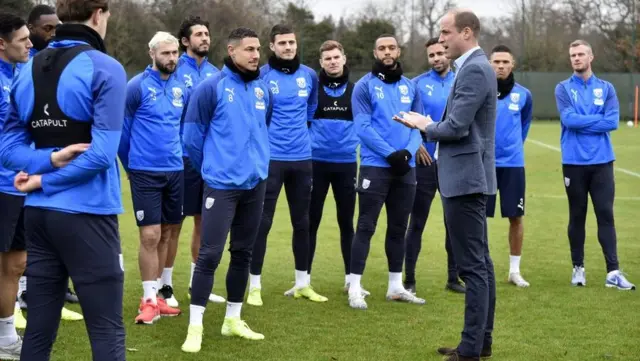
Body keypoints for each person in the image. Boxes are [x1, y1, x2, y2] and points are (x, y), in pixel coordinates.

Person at [0, 0, 128, 359]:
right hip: (86, 214)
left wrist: (46, 162)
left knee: (39, 332)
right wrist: (47, 176)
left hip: (39, 216)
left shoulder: (25, 69)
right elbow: (102, 155)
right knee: (106, 330)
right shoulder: (106, 67)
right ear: (99, 14)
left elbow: (7, 148)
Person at [393, 9, 497, 360]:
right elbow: (457, 123)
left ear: (466, 32)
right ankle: (480, 343)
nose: (441, 40)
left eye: (445, 32)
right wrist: (428, 122)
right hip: (467, 176)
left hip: (464, 179)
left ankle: (470, 348)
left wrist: (423, 126)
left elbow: (455, 128)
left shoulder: (474, 69)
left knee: (473, 266)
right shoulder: (473, 67)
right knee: (481, 263)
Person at [180, 27, 272, 353]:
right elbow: (191, 138)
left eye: (258, 49)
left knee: (243, 254)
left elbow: (262, 129)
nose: (255, 55)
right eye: (248, 49)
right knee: (209, 255)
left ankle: (233, 319)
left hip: (255, 184)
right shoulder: (211, 88)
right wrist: (214, 168)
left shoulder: (263, 89)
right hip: (220, 186)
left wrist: (257, 165)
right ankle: (195, 326)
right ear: (231, 51)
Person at [248, 24, 327, 306]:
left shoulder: (308, 75)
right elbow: (258, 115)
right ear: (272, 46)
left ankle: (302, 283)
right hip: (271, 159)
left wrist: (302, 132)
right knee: (263, 222)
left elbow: (311, 108)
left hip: (303, 159)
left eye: (292, 42)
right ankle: (254, 285)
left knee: (302, 222)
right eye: (282, 43)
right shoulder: (262, 76)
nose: (288, 47)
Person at [346, 33, 426, 310]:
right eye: (382, 48)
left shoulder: (410, 87)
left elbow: (420, 124)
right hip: (375, 166)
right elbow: (363, 128)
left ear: (398, 50)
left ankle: (395, 287)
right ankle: (354, 287)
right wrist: (390, 153)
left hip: (406, 167)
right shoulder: (364, 87)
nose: (387, 52)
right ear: (375, 52)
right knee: (366, 226)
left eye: (392, 47)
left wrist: (407, 152)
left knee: (398, 228)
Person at [17, 4, 83, 316]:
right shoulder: (26, 66)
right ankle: (21, 298)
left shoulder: (60, 64)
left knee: (51, 235)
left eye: (56, 26)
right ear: (29, 28)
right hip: (23, 168)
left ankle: (54, 290)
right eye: (46, 28)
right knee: (19, 246)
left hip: (50, 163)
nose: (52, 32)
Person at [554, 39, 635, 290]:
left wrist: (584, 121)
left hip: (602, 162)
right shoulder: (563, 88)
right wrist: (594, 120)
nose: (576, 58)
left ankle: (613, 272)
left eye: (580, 54)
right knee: (577, 216)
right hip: (574, 162)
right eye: (572, 55)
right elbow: (569, 120)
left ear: (591, 57)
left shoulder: (607, 88)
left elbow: (611, 122)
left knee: (606, 215)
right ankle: (578, 268)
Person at [118, 31, 185, 324]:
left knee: (168, 233)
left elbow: (184, 126)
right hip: (145, 171)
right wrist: (131, 167)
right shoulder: (137, 86)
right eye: (166, 53)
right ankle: (147, 302)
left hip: (176, 170)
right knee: (150, 235)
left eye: (174, 53)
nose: (171, 58)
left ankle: (157, 296)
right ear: (152, 54)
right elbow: (122, 130)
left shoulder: (182, 85)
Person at [169, 15, 225, 307]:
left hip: (208, 160)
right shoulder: (172, 67)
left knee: (204, 223)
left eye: (207, 33)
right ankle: (164, 287)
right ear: (185, 41)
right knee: (173, 224)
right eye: (198, 34)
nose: (205, 38)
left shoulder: (217, 73)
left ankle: (196, 284)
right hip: (179, 158)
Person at [404, 37, 464, 296]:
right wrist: (416, 143)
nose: (437, 58)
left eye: (440, 53)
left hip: (452, 162)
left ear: (447, 54)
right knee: (417, 222)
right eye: (432, 55)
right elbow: (405, 117)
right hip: (425, 162)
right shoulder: (417, 85)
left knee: (453, 223)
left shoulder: (460, 81)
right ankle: (409, 278)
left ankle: (454, 278)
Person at [307, 40, 367, 295]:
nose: (332, 61)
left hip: (345, 165)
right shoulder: (313, 90)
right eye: (327, 58)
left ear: (344, 59)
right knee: (310, 222)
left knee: (346, 223)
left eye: (336, 57)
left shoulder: (355, 91)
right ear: (321, 62)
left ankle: (351, 280)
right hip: (315, 164)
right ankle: (303, 279)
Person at [0, 12, 31, 359]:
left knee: (17, 262)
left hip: (20, 185)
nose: (29, 44)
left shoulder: (22, 74)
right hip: (2, 185)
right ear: (2, 43)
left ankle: (6, 336)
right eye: (23, 39)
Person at [488, 44, 532, 288]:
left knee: (516, 217)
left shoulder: (523, 94)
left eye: (505, 62)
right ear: (489, 64)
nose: (501, 66)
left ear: (512, 65)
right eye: (496, 62)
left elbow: (524, 125)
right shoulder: (482, 91)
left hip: (513, 164)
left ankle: (514, 271)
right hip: (484, 163)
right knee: (478, 217)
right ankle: (480, 267)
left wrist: (513, 147)